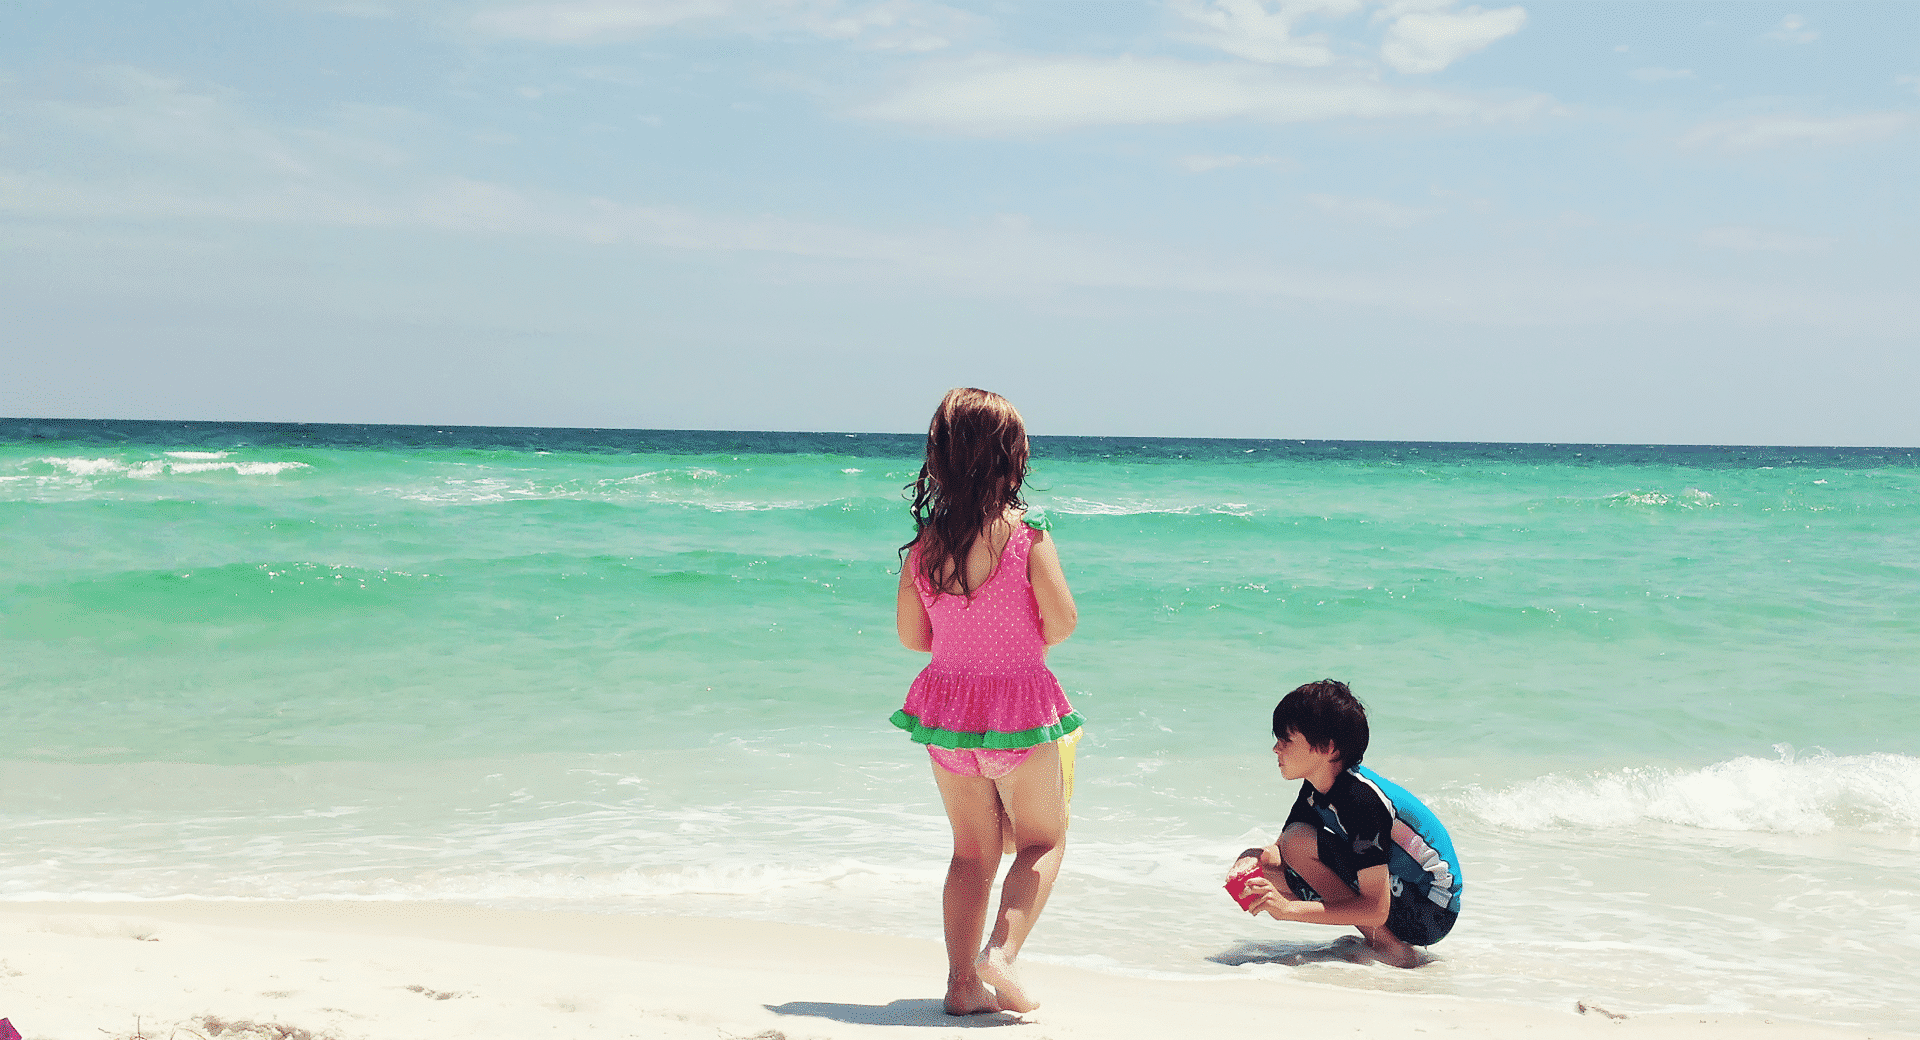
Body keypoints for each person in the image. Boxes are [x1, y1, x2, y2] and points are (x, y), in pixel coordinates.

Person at [892, 387, 1083, 1016]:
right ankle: (999, 955)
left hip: (947, 716)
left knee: (971, 853)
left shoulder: (925, 545)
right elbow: (1061, 626)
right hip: (1018, 714)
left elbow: (912, 637)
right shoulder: (1028, 536)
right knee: (1042, 843)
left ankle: (959, 985)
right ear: (1009, 457)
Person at [1227, 679, 1462, 968]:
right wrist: (1246, 860)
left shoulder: (1361, 801)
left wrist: (1287, 909)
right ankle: (1381, 939)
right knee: (1266, 871)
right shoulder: (1317, 786)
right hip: (1396, 894)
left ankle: (1391, 949)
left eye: (1286, 739)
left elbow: (1375, 909)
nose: (1276, 748)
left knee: (1297, 842)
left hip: (1429, 906)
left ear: (1327, 748)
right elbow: (1280, 850)